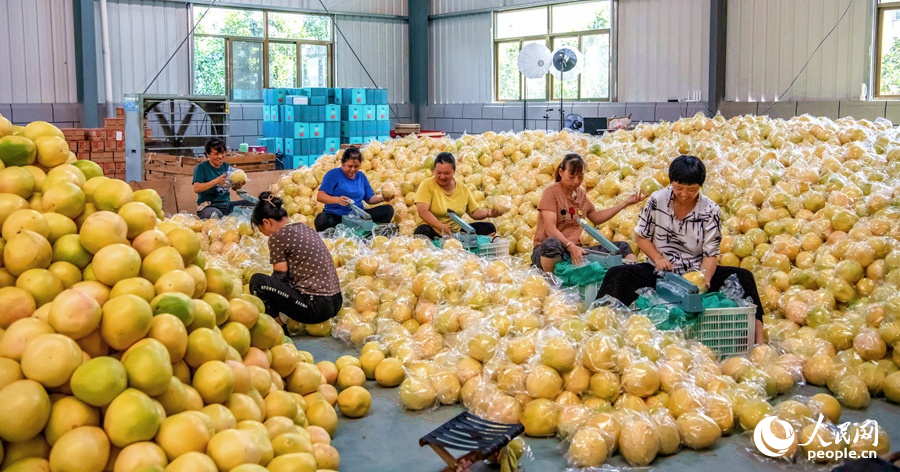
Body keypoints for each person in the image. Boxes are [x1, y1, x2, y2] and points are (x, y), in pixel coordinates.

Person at [597, 155, 765, 344]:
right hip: (659, 272)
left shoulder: (710, 210)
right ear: (671, 182)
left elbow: (710, 254)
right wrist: (658, 258)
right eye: (679, 188)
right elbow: (641, 236)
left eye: (691, 190)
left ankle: (759, 342)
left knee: (744, 277)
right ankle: (602, 328)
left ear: (700, 186)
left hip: (693, 274)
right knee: (617, 274)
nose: (684, 194)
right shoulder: (656, 200)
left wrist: (704, 281)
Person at [532, 153, 644, 273]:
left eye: (580, 177)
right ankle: (552, 282)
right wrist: (571, 246)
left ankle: (630, 279)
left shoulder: (580, 195)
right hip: (546, 252)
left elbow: (596, 217)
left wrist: (625, 203)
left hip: (574, 251)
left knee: (622, 248)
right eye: (572, 176)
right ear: (561, 172)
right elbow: (550, 229)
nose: (576, 181)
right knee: (551, 244)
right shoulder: (551, 193)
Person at [248, 191, 342, 327]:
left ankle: (278, 329)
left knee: (258, 282)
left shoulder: (277, 236)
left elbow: (280, 277)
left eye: (261, 229)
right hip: (335, 302)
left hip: (315, 307)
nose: (264, 234)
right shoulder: (304, 227)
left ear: (266, 222)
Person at [414, 152, 504, 239]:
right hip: (433, 231)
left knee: (489, 228)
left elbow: (474, 212)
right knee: (423, 232)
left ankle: (462, 246)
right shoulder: (427, 185)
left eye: (446, 173)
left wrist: (488, 213)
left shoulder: (462, 188)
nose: (442, 177)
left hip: (456, 233)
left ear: (454, 171)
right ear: (434, 171)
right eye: (438, 173)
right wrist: (441, 226)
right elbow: (423, 211)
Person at [314, 146, 394, 232]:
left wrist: (383, 197)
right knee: (322, 219)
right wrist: (337, 200)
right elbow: (320, 196)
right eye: (350, 166)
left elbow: (370, 199)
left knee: (388, 210)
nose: (352, 169)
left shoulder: (361, 176)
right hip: (337, 216)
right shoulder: (333, 175)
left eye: (356, 166)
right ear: (342, 163)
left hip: (358, 217)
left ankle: (371, 234)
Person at [192, 138, 253, 219]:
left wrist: (238, 185)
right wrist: (216, 181)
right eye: (216, 154)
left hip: (226, 205)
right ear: (207, 154)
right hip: (208, 207)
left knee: (251, 205)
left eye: (222, 153)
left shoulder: (226, 166)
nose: (220, 156)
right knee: (216, 215)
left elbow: (234, 187)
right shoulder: (201, 168)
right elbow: (197, 188)